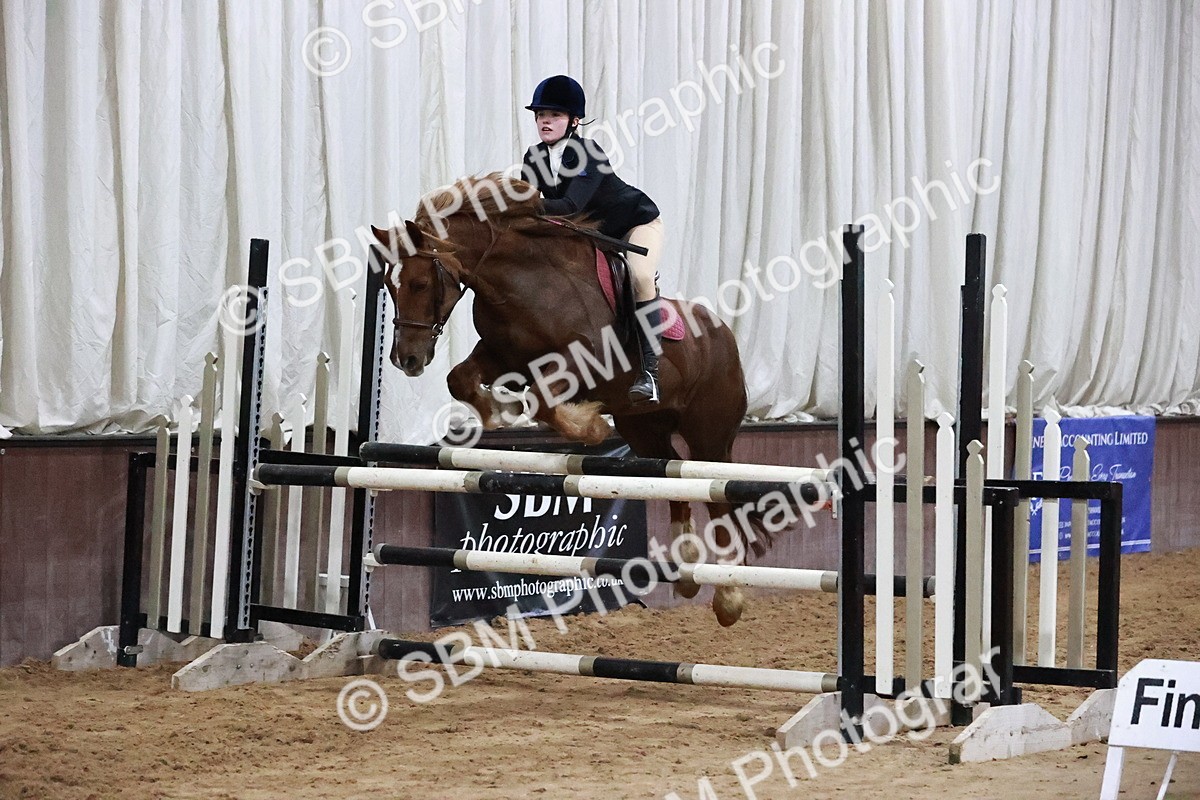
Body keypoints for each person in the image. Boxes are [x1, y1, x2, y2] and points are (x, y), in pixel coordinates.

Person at [520, 75, 665, 404]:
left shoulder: (587, 152)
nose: (545, 121)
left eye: (554, 116)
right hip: (591, 232)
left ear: (574, 121)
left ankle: (650, 375)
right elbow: (530, 211)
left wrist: (518, 205)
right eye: (540, 115)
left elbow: (571, 207)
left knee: (640, 277)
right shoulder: (533, 158)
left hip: (633, 225)